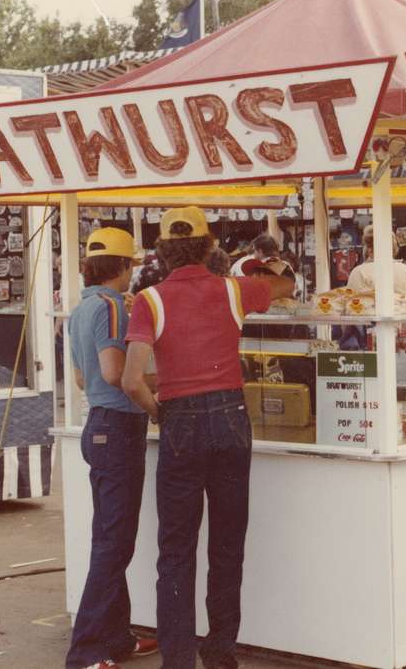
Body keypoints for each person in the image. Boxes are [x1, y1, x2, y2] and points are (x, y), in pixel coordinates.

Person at [122, 207, 293, 669]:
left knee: (175, 549)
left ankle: (178, 658)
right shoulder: (234, 290)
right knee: (227, 543)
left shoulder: (149, 300)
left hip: (181, 419)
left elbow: (132, 380)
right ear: (209, 245)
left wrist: (162, 414)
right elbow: (285, 284)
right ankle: (220, 651)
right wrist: (270, 261)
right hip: (231, 416)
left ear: (162, 250)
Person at [65, 227, 157, 669]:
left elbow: (83, 378)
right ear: (124, 266)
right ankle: (85, 649)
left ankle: (117, 636)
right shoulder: (114, 308)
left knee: (109, 538)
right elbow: (116, 372)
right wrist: (155, 406)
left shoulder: (79, 310)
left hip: (96, 426)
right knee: (114, 544)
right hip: (120, 427)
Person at [347, 225, 406, 313]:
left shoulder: (359, 272)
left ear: (368, 249)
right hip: (405, 323)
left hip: (371, 325)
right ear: (394, 248)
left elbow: (351, 309)